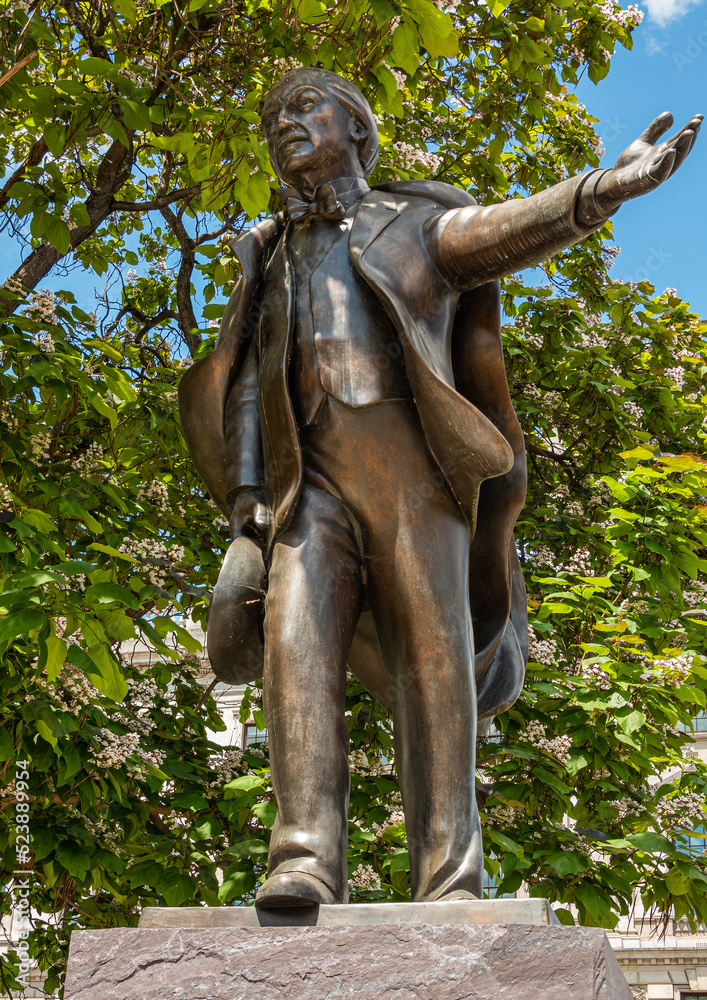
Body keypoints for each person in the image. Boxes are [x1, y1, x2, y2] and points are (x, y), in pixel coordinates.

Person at [179, 68, 701, 908]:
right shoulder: (269, 252)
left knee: (435, 666)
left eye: (305, 106)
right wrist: (248, 504)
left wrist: (605, 187)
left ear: (356, 128)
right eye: (273, 114)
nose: (284, 123)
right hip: (304, 491)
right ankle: (305, 859)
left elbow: (506, 230)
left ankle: (449, 877)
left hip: (414, 482)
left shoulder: (415, 224)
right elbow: (245, 384)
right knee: (294, 651)